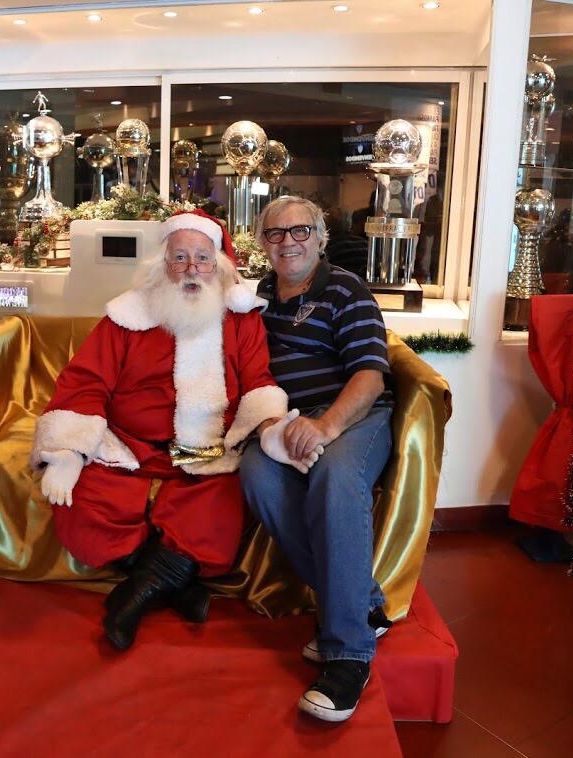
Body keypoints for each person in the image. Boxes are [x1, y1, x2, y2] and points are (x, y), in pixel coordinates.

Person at [31, 210, 316, 652]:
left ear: (218, 264)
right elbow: (87, 382)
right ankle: (173, 583)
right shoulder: (127, 315)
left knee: (221, 507)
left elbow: (258, 382)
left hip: (207, 450)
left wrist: (270, 428)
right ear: (163, 264)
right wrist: (67, 451)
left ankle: (135, 596)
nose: (191, 269)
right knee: (82, 503)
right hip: (129, 447)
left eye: (202, 258)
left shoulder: (241, 318)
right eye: (180, 258)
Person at [239, 196, 394, 723]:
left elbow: (370, 375)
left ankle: (348, 654)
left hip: (353, 415)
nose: (289, 242)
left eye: (300, 230)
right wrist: (270, 425)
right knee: (256, 474)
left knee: (334, 474)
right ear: (263, 243)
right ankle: (362, 604)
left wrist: (326, 426)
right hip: (288, 419)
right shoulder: (258, 297)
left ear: (321, 236)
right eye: (276, 233)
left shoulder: (346, 289)